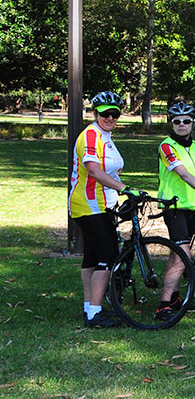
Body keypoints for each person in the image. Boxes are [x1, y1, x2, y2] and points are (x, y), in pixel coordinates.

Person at [69, 91, 129, 328]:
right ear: (95, 113)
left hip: (102, 203)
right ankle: (94, 313)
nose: (111, 118)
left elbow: (111, 170)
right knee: (108, 256)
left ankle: (89, 307)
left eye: (115, 114)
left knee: (92, 258)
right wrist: (126, 188)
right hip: (90, 205)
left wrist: (119, 188)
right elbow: (94, 170)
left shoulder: (106, 136)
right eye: (106, 114)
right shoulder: (92, 136)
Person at [155, 101, 195, 320]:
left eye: (186, 121)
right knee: (183, 256)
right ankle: (163, 305)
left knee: (176, 255)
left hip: (193, 207)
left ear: (193, 123)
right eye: (177, 121)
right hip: (174, 207)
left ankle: (175, 298)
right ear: (171, 124)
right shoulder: (166, 146)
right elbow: (183, 174)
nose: (182, 125)